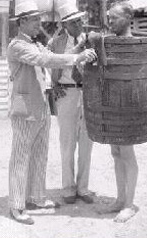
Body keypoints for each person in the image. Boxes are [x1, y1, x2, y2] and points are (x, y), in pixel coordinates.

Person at [7, 0, 97, 225]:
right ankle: (17, 205)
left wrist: (77, 50)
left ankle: (37, 197)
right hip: (25, 109)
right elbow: (45, 59)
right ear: (23, 21)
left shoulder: (34, 43)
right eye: (36, 19)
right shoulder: (18, 45)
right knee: (20, 158)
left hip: (41, 107)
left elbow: (49, 54)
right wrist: (76, 58)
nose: (40, 23)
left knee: (40, 155)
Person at [95, 2, 147, 223]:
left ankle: (129, 204)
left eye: (115, 18)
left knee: (127, 154)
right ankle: (120, 199)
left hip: (130, 106)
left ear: (128, 18)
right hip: (113, 103)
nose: (110, 22)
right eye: (109, 18)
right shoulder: (109, 43)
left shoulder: (139, 44)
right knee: (116, 152)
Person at [47, 3, 94, 205]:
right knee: (67, 143)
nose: (79, 24)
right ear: (64, 24)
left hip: (88, 93)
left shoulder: (92, 40)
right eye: (73, 21)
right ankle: (68, 188)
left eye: (80, 20)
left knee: (86, 143)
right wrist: (52, 85)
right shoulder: (56, 42)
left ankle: (83, 188)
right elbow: (47, 63)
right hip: (66, 92)